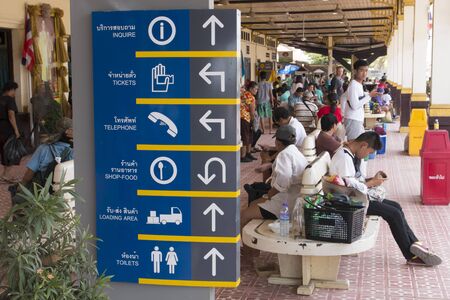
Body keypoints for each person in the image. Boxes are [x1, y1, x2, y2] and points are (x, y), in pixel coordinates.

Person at [329, 131, 442, 267]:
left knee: (396, 206)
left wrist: (372, 180)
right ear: (363, 145)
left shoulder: (349, 154)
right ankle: (410, 254)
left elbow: (353, 182)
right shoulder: (344, 158)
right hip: (349, 201)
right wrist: (371, 183)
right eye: (369, 152)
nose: (367, 155)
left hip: (356, 197)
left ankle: (415, 244)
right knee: (393, 214)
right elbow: (348, 188)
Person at [241, 125, 308, 230]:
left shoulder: (284, 155)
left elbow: (284, 180)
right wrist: (269, 165)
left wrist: (269, 195)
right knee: (254, 203)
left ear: (278, 142)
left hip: (285, 204)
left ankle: (244, 245)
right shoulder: (294, 152)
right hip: (294, 197)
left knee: (244, 215)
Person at [343, 60, 378, 140]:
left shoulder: (358, 84)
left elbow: (347, 97)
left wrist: (367, 94)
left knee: (359, 144)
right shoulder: (354, 85)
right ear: (355, 71)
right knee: (355, 145)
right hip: (353, 119)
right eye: (361, 70)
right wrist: (369, 96)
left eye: (366, 70)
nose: (364, 73)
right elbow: (354, 105)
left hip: (356, 119)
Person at [0, 81, 21, 182]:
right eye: (14, 90)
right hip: (7, 128)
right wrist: (16, 130)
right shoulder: (10, 100)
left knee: (3, 150)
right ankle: (5, 175)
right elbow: (11, 115)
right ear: (11, 89)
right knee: (9, 151)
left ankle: (5, 174)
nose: (15, 93)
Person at [240, 81, 257, 163]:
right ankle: (243, 155)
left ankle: (248, 153)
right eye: (255, 89)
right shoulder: (251, 98)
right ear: (251, 88)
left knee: (247, 136)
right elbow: (252, 111)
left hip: (240, 117)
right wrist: (253, 121)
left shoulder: (243, 94)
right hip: (247, 118)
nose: (256, 91)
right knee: (246, 137)